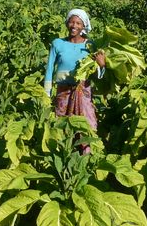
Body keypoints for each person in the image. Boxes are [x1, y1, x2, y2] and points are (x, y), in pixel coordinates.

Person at [44, 9, 106, 148]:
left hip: (83, 92)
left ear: (83, 26)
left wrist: (102, 66)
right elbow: (49, 70)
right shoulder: (57, 44)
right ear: (67, 23)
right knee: (61, 127)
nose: (74, 25)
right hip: (63, 93)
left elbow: (98, 75)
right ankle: (62, 156)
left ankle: (87, 158)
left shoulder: (91, 45)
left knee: (87, 126)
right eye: (71, 22)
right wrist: (46, 94)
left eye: (78, 23)